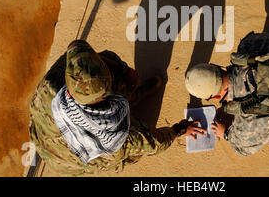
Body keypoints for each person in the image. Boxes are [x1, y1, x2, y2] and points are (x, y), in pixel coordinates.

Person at [29, 40, 204, 176]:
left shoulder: (51, 84)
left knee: (106, 58)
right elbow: (156, 142)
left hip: (46, 141)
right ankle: (133, 97)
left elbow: (78, 48)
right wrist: (179, 130)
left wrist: (121, 69)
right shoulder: (115, 140)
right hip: (69, 163)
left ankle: (132, 95)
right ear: (106, 97)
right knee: (129, 155)